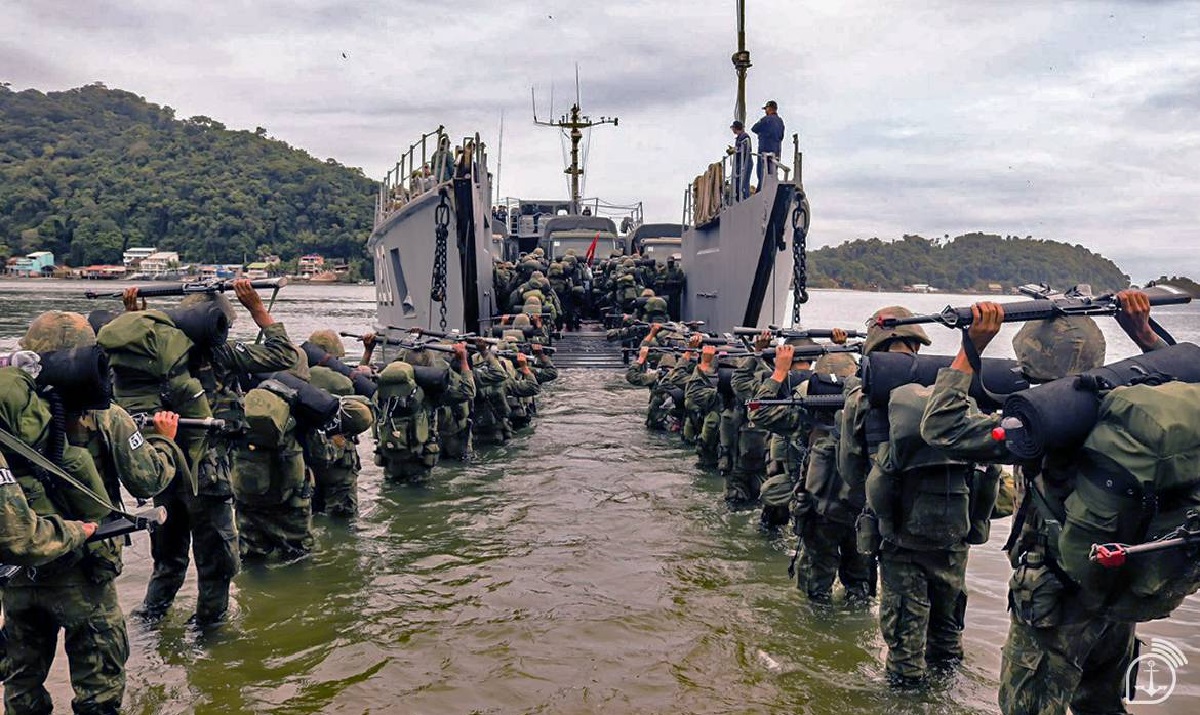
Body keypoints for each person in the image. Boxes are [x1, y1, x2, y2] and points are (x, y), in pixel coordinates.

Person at [920, 291, 1165, 714]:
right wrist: (1144, 334)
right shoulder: (1139, 410)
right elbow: (1189, 382)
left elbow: (942, 427)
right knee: (1103, 707)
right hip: (1117, 590)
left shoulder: (1039, 424)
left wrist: (970, 350)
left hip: (1054, 600)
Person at [132, 279, 297, 626]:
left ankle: (150, 623)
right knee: (216, 565)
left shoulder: (152, 356)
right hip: (207, 473)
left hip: (164, 465)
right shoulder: (221, 354)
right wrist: (258, 309)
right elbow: (284, 355)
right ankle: (211, 633)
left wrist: (135, 315)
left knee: (167, 560)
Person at [751, 100, 785, 190]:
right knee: (773, 172)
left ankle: (761, 190)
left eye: (766, 109)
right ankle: (771, 189)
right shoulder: (780, 122)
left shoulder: (765, 119)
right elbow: (781, 136)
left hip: (764, 150)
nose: (765, 111)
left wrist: (762, 133)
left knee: (762, 173)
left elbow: (754, 128)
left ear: (769, 109)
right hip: (776, 151)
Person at [730, 120, 752, 200]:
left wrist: (735, 150)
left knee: (743, 183)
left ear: (736, 128)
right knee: (738, 182)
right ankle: (739, 199)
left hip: (745, 162)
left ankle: (745, 199)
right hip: (740, 163)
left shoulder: (744, 136)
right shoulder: (740, 137)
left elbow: (746, 148)